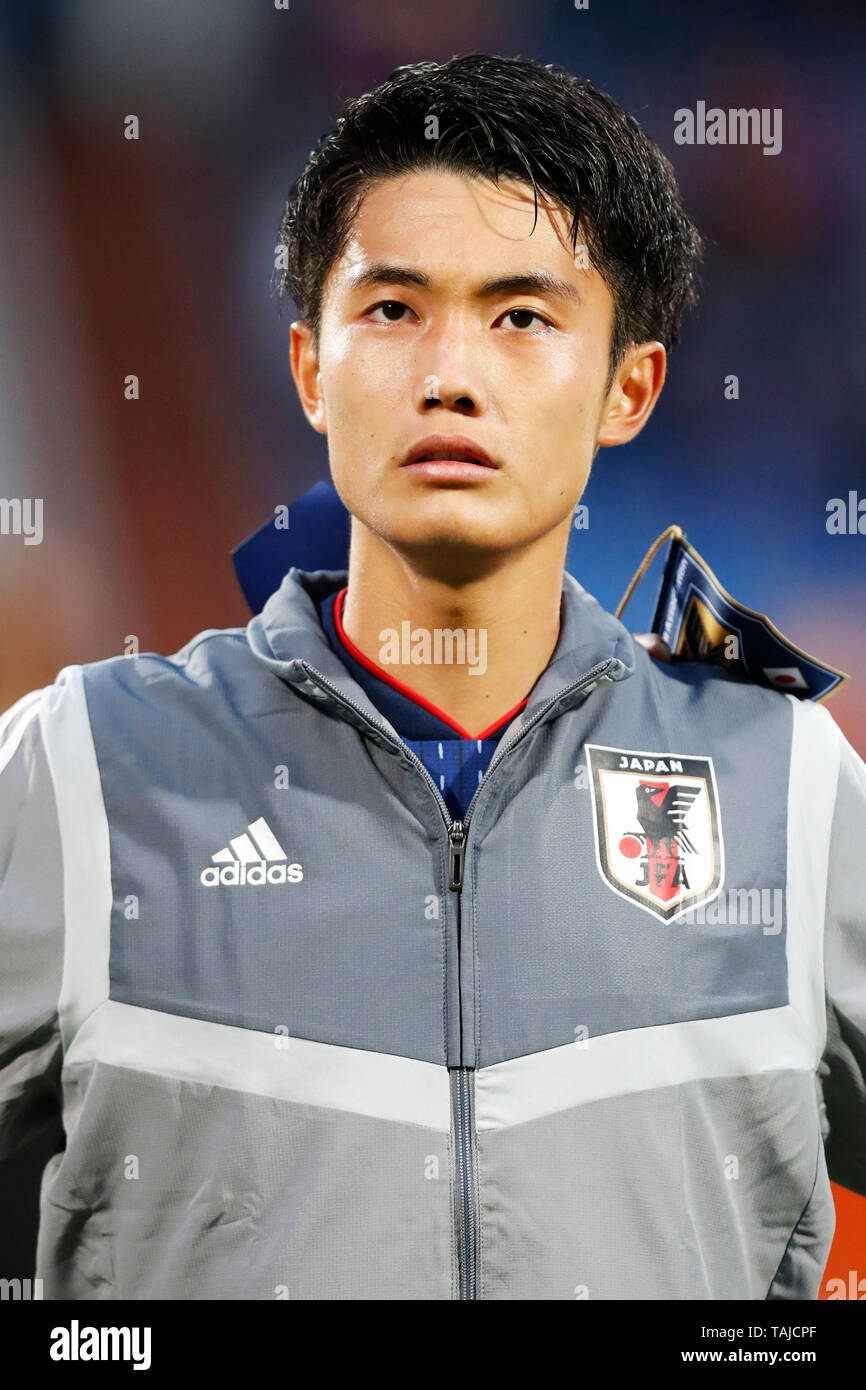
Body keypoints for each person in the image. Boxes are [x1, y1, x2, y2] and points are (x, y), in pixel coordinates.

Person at [1, 53, 864, 1301]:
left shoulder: (785, 791)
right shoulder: (83, 773)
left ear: (629, 385)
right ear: (309, 367)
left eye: (521, 316)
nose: (448, 373)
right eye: (393, 310)